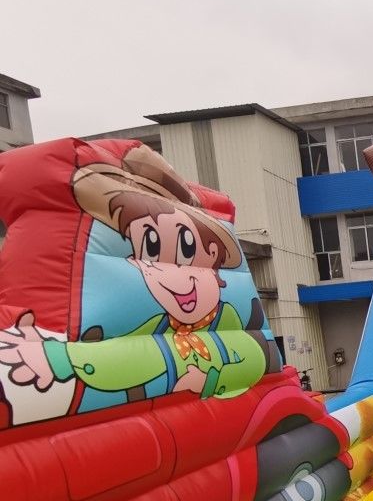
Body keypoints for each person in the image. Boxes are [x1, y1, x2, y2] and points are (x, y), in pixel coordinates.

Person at [0, 149, 265, 400]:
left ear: (213, 259)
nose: (174, 278)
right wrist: (58, 359)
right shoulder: (156, 329)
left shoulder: (228, 318)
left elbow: (255, 355)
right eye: (151, 251)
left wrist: (211, 379)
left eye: (186, 250)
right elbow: (122, 362)